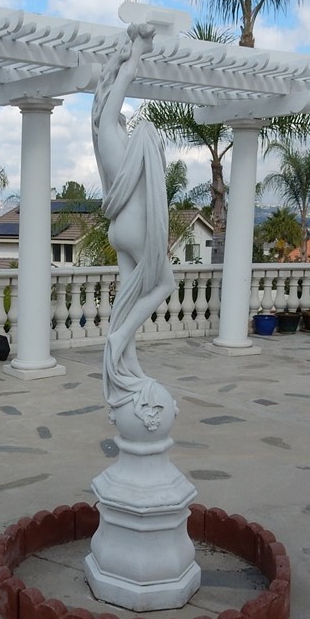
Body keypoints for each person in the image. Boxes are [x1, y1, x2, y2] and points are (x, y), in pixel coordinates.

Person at [91, 23, 176, 432]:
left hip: (118, 229)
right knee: (165, 284)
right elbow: (119, 85)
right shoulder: (121, 142)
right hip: (137, 230)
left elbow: (113, 97)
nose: (123, 119)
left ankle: (128, 366)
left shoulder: (111, 146)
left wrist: (131, 54)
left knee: (126, 297)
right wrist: (136, 50)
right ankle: (119, 339)